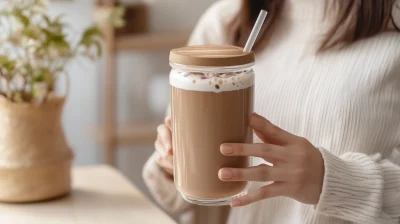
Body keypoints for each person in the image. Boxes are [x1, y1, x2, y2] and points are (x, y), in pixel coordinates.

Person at [143, 0, 400, 223]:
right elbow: (180, 196)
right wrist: (172, 163)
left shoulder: (393, 34)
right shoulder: (227, 21)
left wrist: (332, 181)